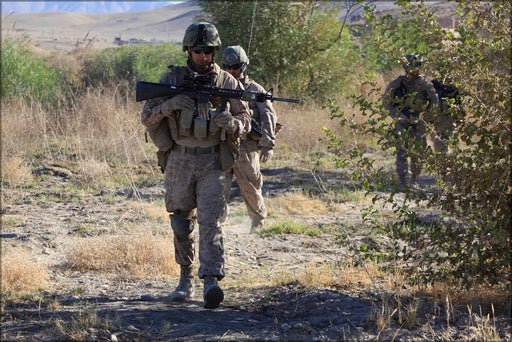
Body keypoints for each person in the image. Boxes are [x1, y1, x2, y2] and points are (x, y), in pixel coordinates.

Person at [140, 22, 251, 309]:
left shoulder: (227, 82)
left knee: (211, 223)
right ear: (189, 50)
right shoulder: (171, 79)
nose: (203, 56)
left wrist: (234, 124)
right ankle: (185, 278)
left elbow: (247, 120)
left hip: (214, 161)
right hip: (180, 159)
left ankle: (211, 281)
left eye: (208, 51)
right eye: (198, 50)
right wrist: (172, 104)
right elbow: (147, 117)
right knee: (181, 221)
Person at [221, 46, 278, 232]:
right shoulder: (220, 84)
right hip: (221, 144)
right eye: (227, 67)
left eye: (235, 67)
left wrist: (268, 145)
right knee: (219, 185)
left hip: (246, 146)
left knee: (251, 185)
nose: (231, 71)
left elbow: (268, 116)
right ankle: (217, 223)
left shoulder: (255, 89)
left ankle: (258, 222)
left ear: (244, 66)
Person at [383, 53, 439, 187]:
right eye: (412, 68)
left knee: (418, 152)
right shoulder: (397, 83)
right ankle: (402, 180)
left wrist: (425, 117)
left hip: (419, 123)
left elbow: (435, 102)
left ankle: (414, 178)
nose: (415, 70)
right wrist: (397, 116)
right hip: (402, 122)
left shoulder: (424, 83)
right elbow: (386, 102)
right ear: (406, 69)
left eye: (417, 67)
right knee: (401, 151)